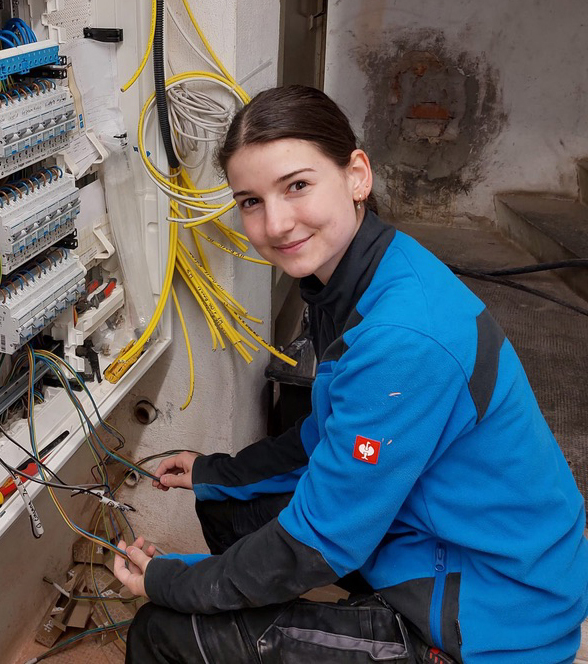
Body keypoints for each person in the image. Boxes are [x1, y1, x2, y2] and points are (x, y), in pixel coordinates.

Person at [111, 85, 588, 664]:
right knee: (227, 507)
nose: (276, 223)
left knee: (161, 630)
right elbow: (328, 435)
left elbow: (323, 540)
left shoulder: (401, 337)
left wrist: (172, 582)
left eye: (297, 185)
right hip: (444, 536)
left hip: (495, 610)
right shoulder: (360, 274)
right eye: (251, 201)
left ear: (356, 174)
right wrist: (215, 471)